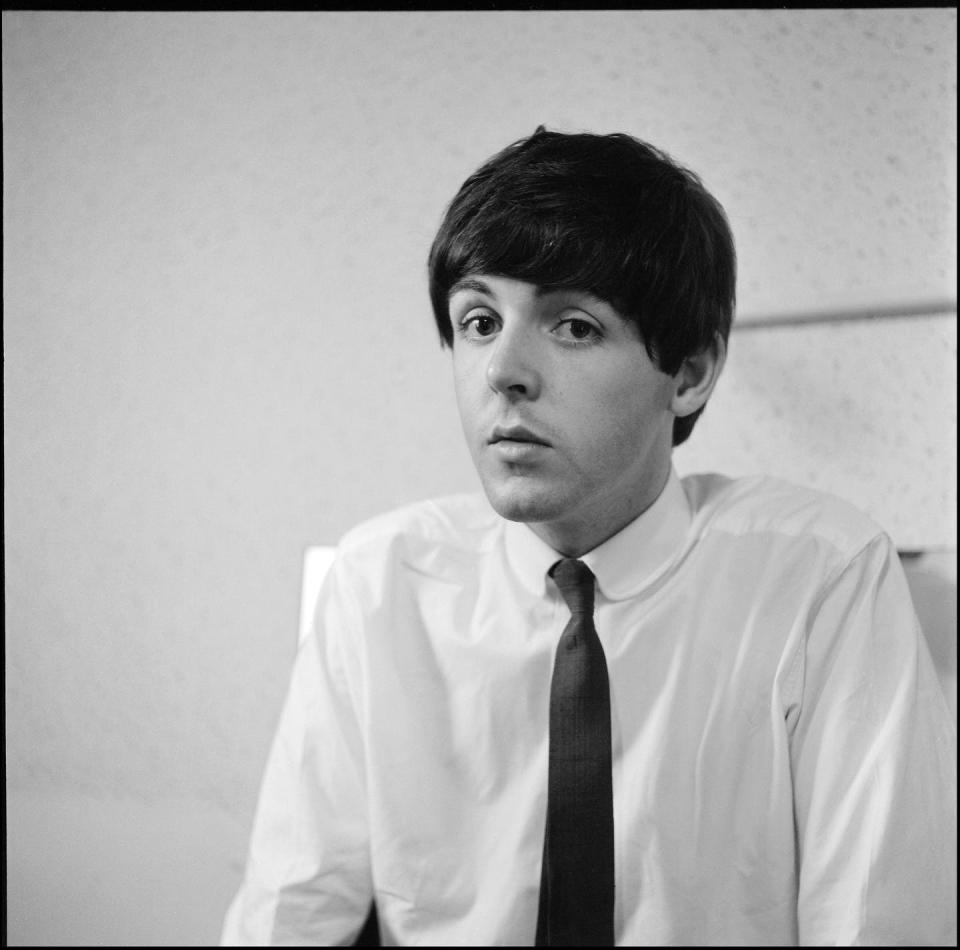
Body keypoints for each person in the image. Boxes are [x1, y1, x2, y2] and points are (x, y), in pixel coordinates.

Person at [221, 127, 956, 946]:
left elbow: (880, 925)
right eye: (478, 319)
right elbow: (290, 915)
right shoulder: (380, 582)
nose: (503, 369)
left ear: (689, 373)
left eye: (572, 326)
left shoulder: (823, 578)